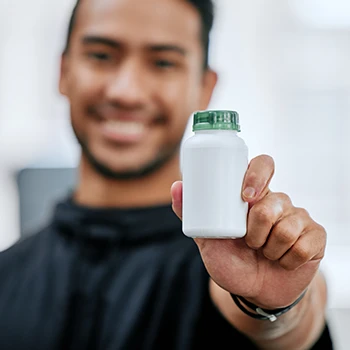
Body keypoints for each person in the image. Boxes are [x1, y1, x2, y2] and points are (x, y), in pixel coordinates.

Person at [0, 0, 334, 349]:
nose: (126, 91)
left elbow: (291, 326)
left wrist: (276, 309)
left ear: (205, 88)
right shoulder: (6, 276)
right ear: (63, 72)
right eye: (101, 55)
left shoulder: (238, 257)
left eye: (163, 63)